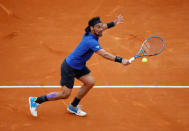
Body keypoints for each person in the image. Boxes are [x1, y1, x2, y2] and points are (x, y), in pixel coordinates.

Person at [29, 15, 130, 117]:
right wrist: (121, 60)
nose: (101, 29)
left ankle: (73, 106)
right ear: (92, 28)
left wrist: (113, 23)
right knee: (65, 94)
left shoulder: (91, 31)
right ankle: (36, 100)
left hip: (79, 65)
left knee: (89, 83)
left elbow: (102, 27)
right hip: (69, 67)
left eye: (101, 26)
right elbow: (104, 54)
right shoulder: (90, 41)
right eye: (98, 27)